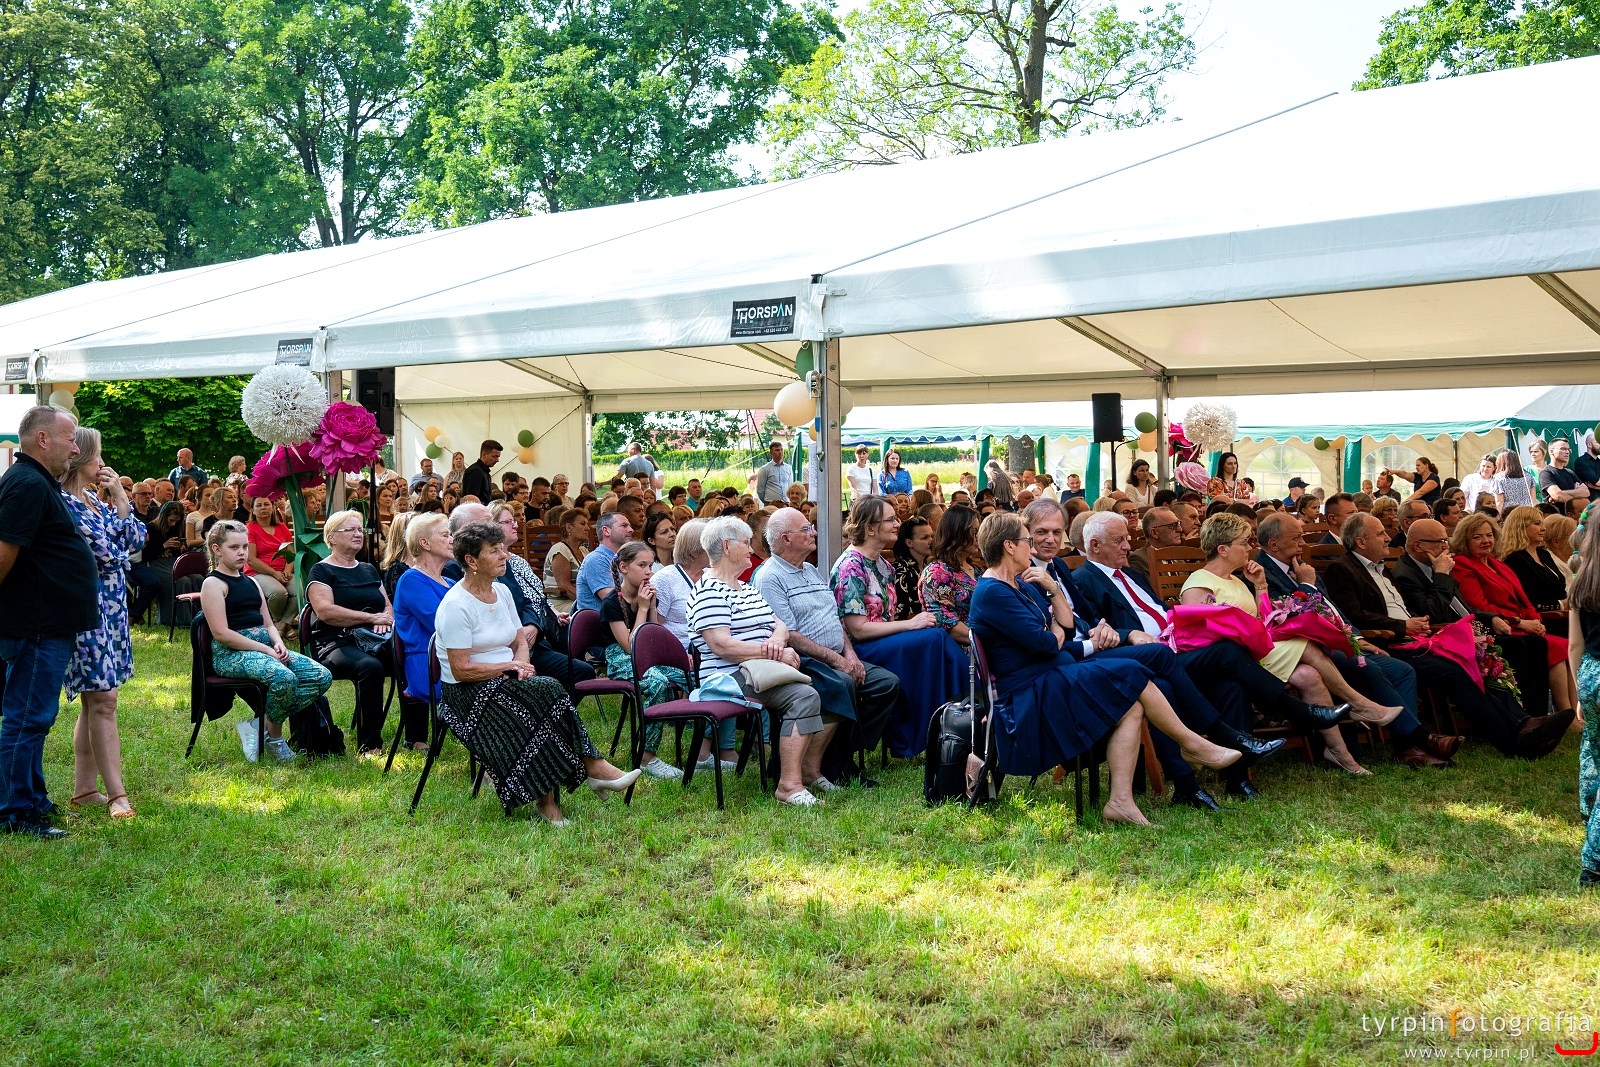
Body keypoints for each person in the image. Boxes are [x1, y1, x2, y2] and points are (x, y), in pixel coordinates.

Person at [968, 511, 1247, 824]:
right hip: (1028, 697)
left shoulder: (1020, 584)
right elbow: (1048, 643)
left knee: (1132, 704)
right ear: (1009, 546)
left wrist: (1054, 593)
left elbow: (1066, 624)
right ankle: (1193, 744)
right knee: (1131, 672)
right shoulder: (993, 592)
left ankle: (1121, 801)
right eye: (1026, 540)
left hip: (1051, 677)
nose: (1031, 547)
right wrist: (1055, 629)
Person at [435, 521, 638, 823]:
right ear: (471, 561)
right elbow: (460, 669)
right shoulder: (456, 605)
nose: (504, 555)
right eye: (494, 551)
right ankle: (588, 771)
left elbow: (519, 638)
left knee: (545, 694)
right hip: (466, 693)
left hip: (504, 678)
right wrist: (508, 666)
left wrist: (522, 662)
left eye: (502, 548)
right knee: (544, 698)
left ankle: (560, 794)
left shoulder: (501, 591)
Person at [1327, 513, 1571, 758]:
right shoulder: (1345, 569)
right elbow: (1355, 616)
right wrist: (1404, 624)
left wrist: (1418, 621)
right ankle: (1513, 741)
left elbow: (1422, 609)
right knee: (1457, 669)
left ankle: (1526, 724)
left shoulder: (1382, 569)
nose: (1388, 538)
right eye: (1380, 533)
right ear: (1361, 542)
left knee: (1483, 659)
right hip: (1391, 642)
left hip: (1420, 637)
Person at [1181, 513, 1400, 773]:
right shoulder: (1199, 582)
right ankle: (1359, 704)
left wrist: (1260, 587)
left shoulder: (1237, 580)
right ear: (1223, 549)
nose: (1251, 547)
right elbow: (1198, 635)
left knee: (1309, 676)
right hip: (1233, 657)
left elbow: (1264, 620)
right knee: (1304, 644)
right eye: (1244, 542)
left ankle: (1340, 753)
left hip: (1255, 650)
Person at [1255, 512, 1460, 769]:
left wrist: (1357, 637)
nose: (1303, 543)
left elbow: (1334, 609)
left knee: (1401, 670)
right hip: (1307, 648)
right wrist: (1306, 585)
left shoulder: (1300, 565)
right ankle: (1419, 739)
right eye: (1296, 538)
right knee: (1368, 668)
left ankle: (1408, 748)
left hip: (1341, 641)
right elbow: (1285, 619)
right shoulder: (1262, 572)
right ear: (1273, 544)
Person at [691, 515, 838, 806]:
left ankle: (806, 773)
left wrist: (777, 643)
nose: (752, 549)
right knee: (804, 696)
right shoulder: (709, 591)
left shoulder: (745, 588)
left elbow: (779, 625)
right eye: (746, 543)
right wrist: (775, 652)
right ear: (727, 546)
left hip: (759, 670)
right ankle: (789, 785)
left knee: (822, 687)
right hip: (726, 678)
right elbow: (721, 645)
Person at [0, 407, 97, 837]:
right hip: (35, 625)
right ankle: (14, 811)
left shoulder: (36, 482)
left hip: (46, 625)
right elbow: (4, 553)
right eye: (70, 439)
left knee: (34, 717)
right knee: (26, 718)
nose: (76, 449)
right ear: (43, 439)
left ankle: (33, 799)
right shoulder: (27, 484)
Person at [755, 508, 896, 786]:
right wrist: (835, 660)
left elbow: (834, 618)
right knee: (844, 683)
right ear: (785, 539)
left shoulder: (809, 570)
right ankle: (831, 766)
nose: (814, 532)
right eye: (806, 529)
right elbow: (789, 634)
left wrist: (850, 654)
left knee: (885, 684)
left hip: (834, 653)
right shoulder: (770, 577)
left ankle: (837, 754)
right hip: (800, 659)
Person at [831, 496, 969, 757]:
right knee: (934, 639)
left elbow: (887, 620)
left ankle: (952, 723)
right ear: (870, 528)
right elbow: (857, 630)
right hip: (859, 650)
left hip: (884, 642)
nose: (897, 524)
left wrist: (909, 627)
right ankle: (961, 711)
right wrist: (909, 625)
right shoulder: (851, 566)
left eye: (895, 518)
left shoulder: (884, 566)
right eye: (890, 520)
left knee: (933, 640)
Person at [59, 427, 146, 819]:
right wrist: (120, 545)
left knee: (94, 701)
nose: (102, 463)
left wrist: (122, 498)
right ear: (80, 457)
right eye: (97, 455)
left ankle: (84, 790)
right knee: (104, 699)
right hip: (86, 610)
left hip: (111, 610)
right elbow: (110, 554)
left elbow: (136, 540)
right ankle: (117, 795)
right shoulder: (64, 502)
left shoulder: (94, 499)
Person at [202, 520, 332, 763]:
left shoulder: (251, 582)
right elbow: (221, 633)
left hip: (266, 648)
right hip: (231, 654)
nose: (242, 553)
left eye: (244, 547)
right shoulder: (213, 584)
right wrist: (266, 649)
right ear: (216, 549)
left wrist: (277, 643)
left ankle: (258, 724)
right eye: (234, 547)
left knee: (320, 676)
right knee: (284, 678)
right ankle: (275, 739)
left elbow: (269, 623)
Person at [1449, 511, 1575, 716]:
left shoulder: (1497, 563)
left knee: (1561, 643)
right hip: (1501, 627)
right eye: (1477, 537)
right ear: (1465, 540)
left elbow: (1524, 600)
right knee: (1553, 645)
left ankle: (1572, 713)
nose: (1485, 540)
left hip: (1523, 625)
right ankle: (1561, 713)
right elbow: (1479, 605)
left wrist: (1535, 620)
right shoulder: (1464, 564)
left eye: (1489, 535)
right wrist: (1520, 623)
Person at [305, 510, 397, 757]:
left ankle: (415, 737)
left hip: (374, 639)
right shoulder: (321, 571)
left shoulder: (368, 569)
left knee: (410, 657)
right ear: (332, 538)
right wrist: (370, 618)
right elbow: (326, 612)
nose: (358, 534)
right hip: (334, 642)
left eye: (360, 530)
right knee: (370, 667)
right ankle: (370, 745)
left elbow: (386, 605)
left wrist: (386, 619)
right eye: (351, 530)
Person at [597, 541, 687, 780]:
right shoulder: (612, 602)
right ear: (624, 568)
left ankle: (701, 750)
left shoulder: (646, 596)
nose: (649, 572)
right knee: (658, 683)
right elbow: (630, 646)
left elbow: (654, 635)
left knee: (690, 675)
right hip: (620, 658)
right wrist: (643, 608)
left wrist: (651, 607)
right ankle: (647, 756)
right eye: (642, 565)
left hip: (647, 655)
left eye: (651, 565)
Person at [1567, 518, 1600, 885]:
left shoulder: (1581, 580)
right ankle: (1594, 861)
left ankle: (1589, 813)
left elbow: (1575, 645)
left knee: (1593, 745)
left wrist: (1579, 690)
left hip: (1591, 673)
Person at [917, 506, 980, 647]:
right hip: (961, 650)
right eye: (974, 532)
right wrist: (988, 643)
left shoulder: (976, 569)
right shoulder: (938, 572)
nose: (978, 537)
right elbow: (945, 622)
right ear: (957, 533)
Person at [1501, 505, 1570, 618]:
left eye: (1542, 523)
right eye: (1537, 524)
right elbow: (1527, 600)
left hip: (1565, 612)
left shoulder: (1543, 554)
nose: (1543, 528)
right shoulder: (1515, 559)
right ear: (1521, 527)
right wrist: (1561, 604)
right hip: (1546, 618)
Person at [245, 493, 297, 635]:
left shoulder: (282, 527)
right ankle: (280, 623)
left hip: (283, 571)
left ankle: (281, 625)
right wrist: (274, 573)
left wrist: (288, 570)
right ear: (253, 510)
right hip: (258, 572)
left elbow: (291, 553)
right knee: (278, 593)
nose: (263, 507)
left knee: (301, 591)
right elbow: (251, 559)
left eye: (267, 504)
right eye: (259, 505)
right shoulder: (250, 529)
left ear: (273, 507)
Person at [576, 512, 632, 613]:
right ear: (606, 531)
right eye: (624, 525)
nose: (631, 530)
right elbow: (613, 601)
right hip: (599, 621)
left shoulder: (624, 559)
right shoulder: (596, 559)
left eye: (629, 526)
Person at [891, 515, 934, 623]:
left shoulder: (930, 566)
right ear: (909, 543)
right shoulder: (900, 569)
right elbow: (901, 614)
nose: (931, 541)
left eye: (931, 536)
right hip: (911, 626)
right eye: (925, 538)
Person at [546, 508, 589, 612]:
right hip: (562, 603)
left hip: (579, 600)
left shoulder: (583, 550)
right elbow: (565, 586)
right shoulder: (560, 550)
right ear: (569, 527)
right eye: (582, 524)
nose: (587, 528)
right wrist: (590, 601)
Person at [1131, 507, 1183, 580]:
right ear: (1154, 533)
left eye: (1178, 523)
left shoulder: (1179, 558)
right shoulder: (1140, 560)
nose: (1180, 529)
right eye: (1172, 526)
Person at [1540, 438, 1592, 511]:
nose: (1567, 452)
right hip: (1557, 516)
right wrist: (1577, 493)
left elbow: (1586, 492)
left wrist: (1563, 492)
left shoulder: (1569, 472)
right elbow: (1558, 496)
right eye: (1563, 449)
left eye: (1568, 449)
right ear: (1551, 451)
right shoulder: (1546, 473)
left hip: (1573, 516)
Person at [753, 441, 792, 505]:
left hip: (786, 503)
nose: (780, 452)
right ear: (771, 453)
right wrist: (766, 502)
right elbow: (760, 489)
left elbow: (790, 486)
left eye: (781, 449)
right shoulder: (765, 469)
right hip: (771, 503)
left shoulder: (788, 468)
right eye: (777, 450)